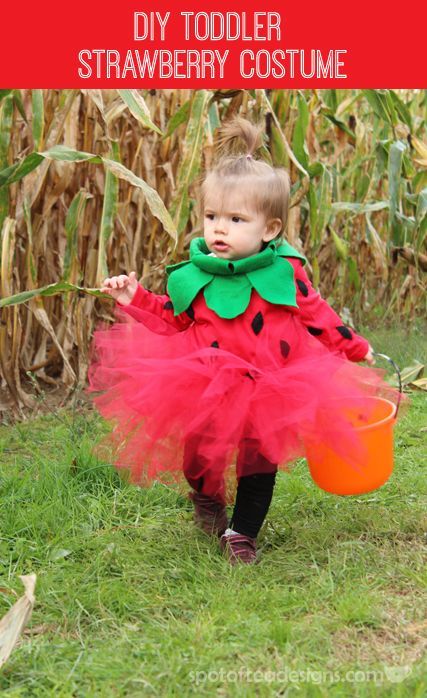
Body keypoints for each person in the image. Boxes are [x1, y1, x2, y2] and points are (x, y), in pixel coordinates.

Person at [87, 117, 398, 565]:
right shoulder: (193, 276)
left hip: (271, 383)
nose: (219, 228)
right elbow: (172, 320)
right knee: (200, 454)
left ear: (269, 230)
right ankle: (207, 497)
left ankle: (242, 532)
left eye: (236, 219)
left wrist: (357, 348)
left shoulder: (285, 272)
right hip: (206, 383)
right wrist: (132, 295)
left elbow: (318, 316)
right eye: (212, 216)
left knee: (258, 461)